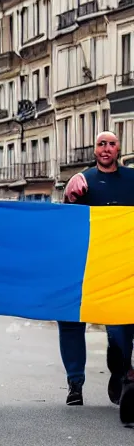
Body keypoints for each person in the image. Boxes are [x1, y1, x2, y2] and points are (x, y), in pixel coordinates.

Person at [62, 131, 134, 415]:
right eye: (101, 144)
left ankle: (122, 377)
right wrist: (68, 195)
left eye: (111, 144)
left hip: (123, 268)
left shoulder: (132, 179)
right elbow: (67, 220)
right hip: (89, 264)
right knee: (72, 321)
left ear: (119, 148)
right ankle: (76, 384)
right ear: (94, 150)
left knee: (119, 331)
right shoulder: (82, 181)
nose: (106, 149)